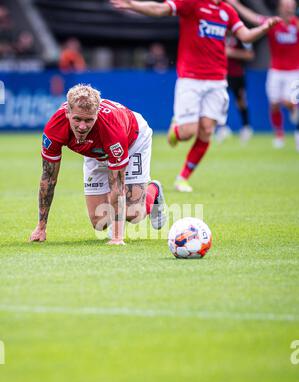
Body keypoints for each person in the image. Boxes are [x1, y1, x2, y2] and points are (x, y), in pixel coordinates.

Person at [110, 0, 280, 192]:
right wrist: (133, 5)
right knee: (187, 133)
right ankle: (177, 129)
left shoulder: (227, 11)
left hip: (217, 81)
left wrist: (264, 27)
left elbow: (246, 36)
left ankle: (183, 177)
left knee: (207, 130)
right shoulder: (192, 3)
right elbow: (161, 9)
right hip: (191, 79)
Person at [30, 84, 167, 245]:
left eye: (88, 120)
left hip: (132, 141)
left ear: (97, 113)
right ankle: (123, 211)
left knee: (134, 213)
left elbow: (117, 184)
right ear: (67, 113)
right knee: (99, 221)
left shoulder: (112, 128)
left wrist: (117, 237)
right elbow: (48, 179)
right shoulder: (55, 128)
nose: (82, 127)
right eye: (77, 119)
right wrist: (41, 227)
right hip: (94, 151)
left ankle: (153, 191)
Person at [226, 0, 299, 151]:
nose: (289, 9)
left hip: (294, 72)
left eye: (291, 6)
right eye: (286, 6)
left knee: (288, 101)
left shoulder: (297, 25)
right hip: (276, 71)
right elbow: (253, 17)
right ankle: (279, 136)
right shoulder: (273, 23)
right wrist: (236, 5)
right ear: (280, 8)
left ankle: (295, 119)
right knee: (273, 104)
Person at [216, 34, 255, 143]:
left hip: (237, 74)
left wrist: (231, 53)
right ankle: (222, 128)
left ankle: (246, 127)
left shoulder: (242, 35)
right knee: (220, 101)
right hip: (221, 74)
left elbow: (250, 55)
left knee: (240, 101)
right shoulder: (219, 32)